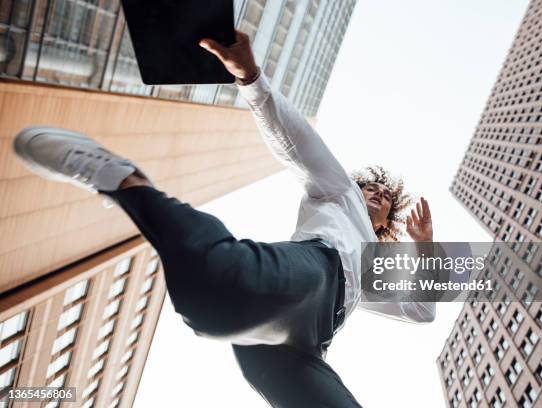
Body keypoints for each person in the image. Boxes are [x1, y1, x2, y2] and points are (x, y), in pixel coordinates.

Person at [13, 30, 439, 408]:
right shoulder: (339, 192)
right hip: (309, 273)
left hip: (304, 347)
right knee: (215, 291)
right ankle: (123, 180)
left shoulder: (370, 269)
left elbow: (421, 311)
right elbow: (298, 143)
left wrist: (425, 248)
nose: (378, 194)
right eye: (374, 188)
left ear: (385, 226)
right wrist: (251, 80)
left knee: (218, 312)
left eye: (385, 199)